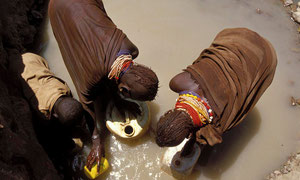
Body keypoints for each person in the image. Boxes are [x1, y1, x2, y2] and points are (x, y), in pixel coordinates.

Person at [48, 0, 159, 171]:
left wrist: (119, 99)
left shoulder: (130, 49)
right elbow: (86, 102)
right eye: (125, 94)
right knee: (71, 47)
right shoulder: (92, 75)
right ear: (123, 89)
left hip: (87, 4)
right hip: (60, 7)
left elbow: (117, 74)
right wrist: (96, 140)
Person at [156, 28, 277, 151]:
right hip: (236, 38)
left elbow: (211, 136)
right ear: (167, 113)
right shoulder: (177, 82)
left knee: (247, 93)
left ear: (188, 133)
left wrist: (194, 142)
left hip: (265, 59)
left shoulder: (218, 124)